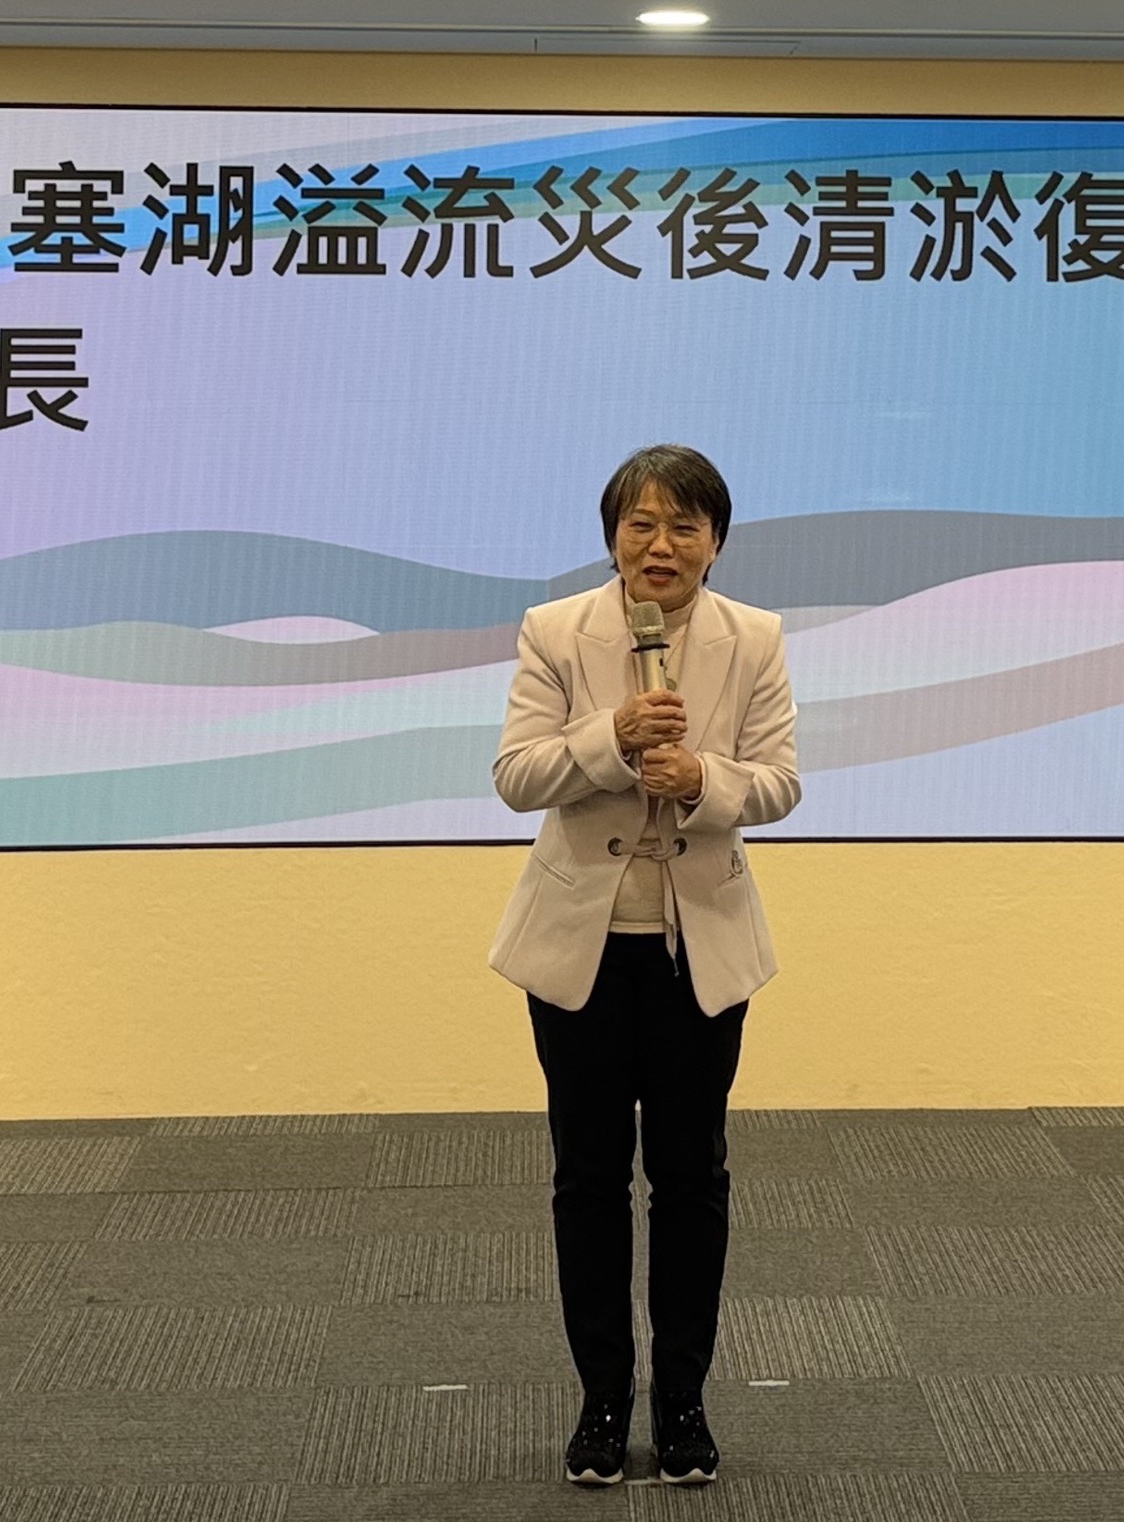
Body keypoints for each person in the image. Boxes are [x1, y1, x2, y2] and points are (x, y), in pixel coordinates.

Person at [488, 444, 801, 1488]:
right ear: (612, 535)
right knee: (587, 1180)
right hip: (578, 955)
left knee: (689, 1180)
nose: (658, 545)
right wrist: (610, 738)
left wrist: (703, 778)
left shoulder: (753, 638)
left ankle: (682, 1403)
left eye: (682, 526)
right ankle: (601, 1401)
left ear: (715, 542)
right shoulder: (554, 631)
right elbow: (515, 776)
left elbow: (779, 782)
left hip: (696, 954)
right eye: (640, 524)